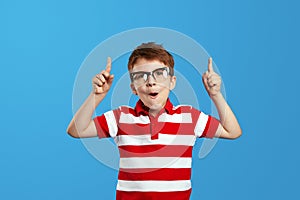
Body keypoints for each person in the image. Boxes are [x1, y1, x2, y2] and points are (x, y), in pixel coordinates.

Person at [67, 42, 242, 200]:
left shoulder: (189, 118)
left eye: (159, 74)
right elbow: (77, 130)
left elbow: (232, 131)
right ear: (133, 88)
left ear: (172, 82)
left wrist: (215, 95)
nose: (151, 82)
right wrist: (96, 96)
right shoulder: (121, 118)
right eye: (141, 76)